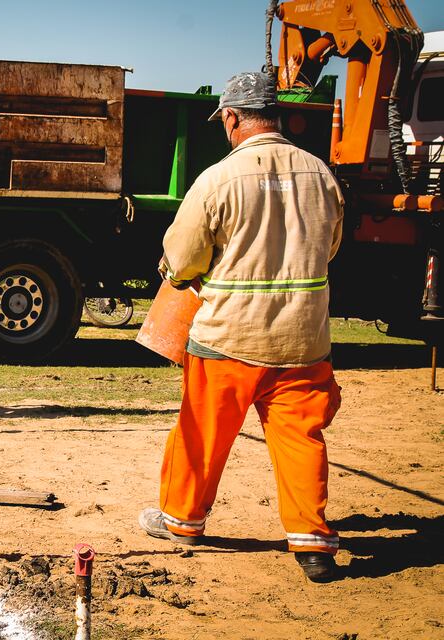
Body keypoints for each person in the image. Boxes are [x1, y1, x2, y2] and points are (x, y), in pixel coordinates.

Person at [137, 72, 345, 583]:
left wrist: (187, 274)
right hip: (304, 340)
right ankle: (311, 542)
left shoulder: (217, 179)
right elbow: (331, 246)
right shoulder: (321, 174)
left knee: (201, 434)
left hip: (228, 337)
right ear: (275, 115)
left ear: (231, 118)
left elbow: (182, 257)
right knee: (301, 439)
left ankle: (182, 522)